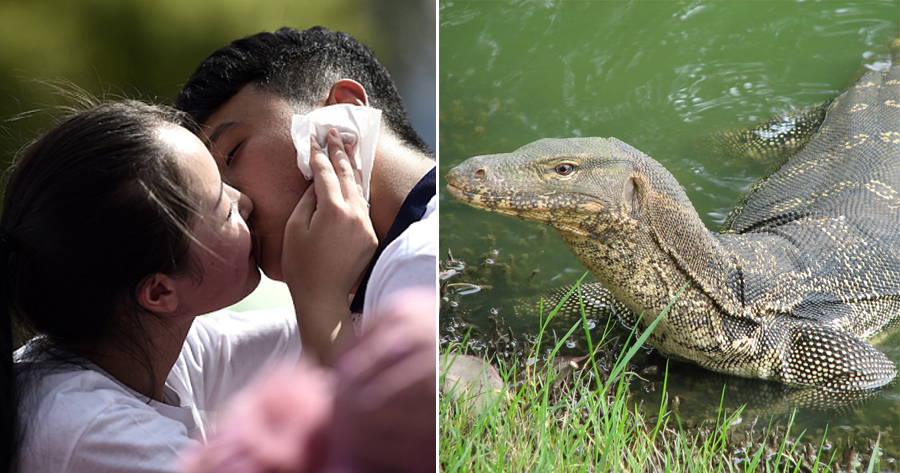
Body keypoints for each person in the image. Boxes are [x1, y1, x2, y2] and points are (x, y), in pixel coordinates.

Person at [0, 99, 376, 472]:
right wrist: (322, 296)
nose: (243, 200)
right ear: (160, 292)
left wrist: (331, 283)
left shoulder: (142, 345)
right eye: (223, 207)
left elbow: (363, 336)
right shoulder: (94, 431)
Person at [175, 26, 438, 365]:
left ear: (343, 112)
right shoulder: (373, 288)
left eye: (232, 153)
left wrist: (321, 303)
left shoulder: (421, 260)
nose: (230, 201)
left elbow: (381, 420)